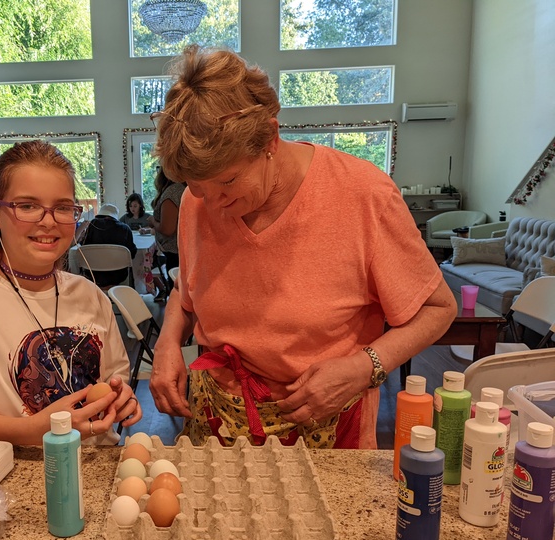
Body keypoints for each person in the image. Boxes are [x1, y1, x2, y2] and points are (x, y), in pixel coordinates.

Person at [148, 45, 457, 450]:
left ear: (270, 139)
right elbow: (186, 296)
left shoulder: (362, 195)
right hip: (218, 420)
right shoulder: (197, 204)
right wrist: (168, 342)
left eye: (227, 182)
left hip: (324, 418)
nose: (213, 205)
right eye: (197, 188)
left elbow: (438, 309)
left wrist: (365, 368)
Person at [0, 140, 142, 445]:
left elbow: (113, 381)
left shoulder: (90, 295)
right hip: (13, 474)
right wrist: (38, 429)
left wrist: (119, 399)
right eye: (27, 206)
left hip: (97, 466)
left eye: (63, 208)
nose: (48, 221)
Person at [78, 203, 138, 288]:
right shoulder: (125, 228)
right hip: (118, 274)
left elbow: (84, 247)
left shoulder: (92, 225)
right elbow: (132, 253)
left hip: (93, 274)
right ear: (114, 216)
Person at [147, 167, 185, 291]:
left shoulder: (172, 193)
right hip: (181, 250)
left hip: (175, 252)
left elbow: (167, 229)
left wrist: (153, 221)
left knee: (176, 291)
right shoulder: (182, 189)